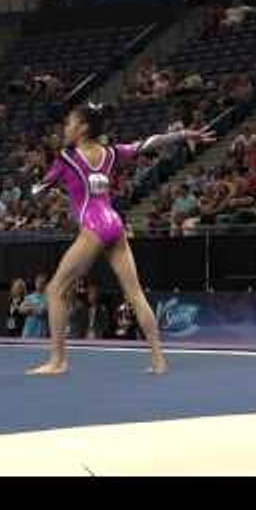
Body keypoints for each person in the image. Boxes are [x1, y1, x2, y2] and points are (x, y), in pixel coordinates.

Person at [26, 102, 216, 375]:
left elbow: (37, 190)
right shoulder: (111, 153)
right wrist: (185, 135)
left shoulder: (66, 158)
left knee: (55, 290)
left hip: (93, 227)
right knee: (135, 293)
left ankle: (58, 361)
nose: (65, 128)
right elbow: (149, 143)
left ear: (82, 128)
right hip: (115, 223)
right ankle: (158, 360)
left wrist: (40, 179)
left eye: (69, 123)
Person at [20, 274, 49, 339]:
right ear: (35, 283)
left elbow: (42, 311)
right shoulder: (29, 297)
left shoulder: (49, 298)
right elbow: (21, 309)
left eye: (42, 283)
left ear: (46, 284)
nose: (39, 284)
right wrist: (36, 308)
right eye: (38, 282)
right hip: (29, 330)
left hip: (42, 331)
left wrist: (30, 307)